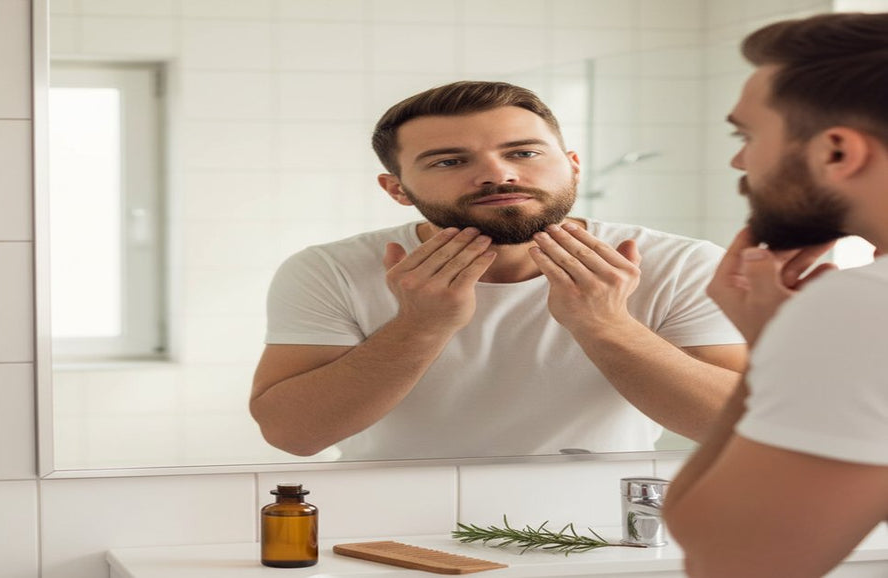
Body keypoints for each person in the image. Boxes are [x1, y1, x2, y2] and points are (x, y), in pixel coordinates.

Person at [249, 80, 746, 460]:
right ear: (397, 189)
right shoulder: (330, 271)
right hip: (391, 530)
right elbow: (293, 435)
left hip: (601, 529)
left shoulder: (680, 264)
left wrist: (604, 323)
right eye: (448, 161)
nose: (498, 174)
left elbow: (736, 425)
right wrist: (421, 324)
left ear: (572, 164)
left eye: (523, 153)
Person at [663, 12, 888, 578]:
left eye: (747, 136)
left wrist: (769, 350)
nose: (740, 161)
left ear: (837, 152)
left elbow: (730, 562)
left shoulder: (860, 306)